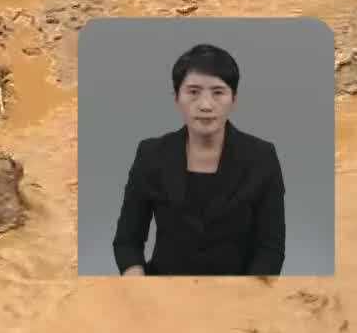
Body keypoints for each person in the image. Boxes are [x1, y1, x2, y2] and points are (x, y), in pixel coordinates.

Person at [113, 44, 286, 276]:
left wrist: (249, 302)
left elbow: (270, 250)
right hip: (163, 293)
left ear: (234, 99)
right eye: (193, 92)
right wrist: (139, 287)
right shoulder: (151, 154)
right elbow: (127, 241)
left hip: (237, 297)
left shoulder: (261, 157)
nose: (205, 105)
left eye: (218, 92)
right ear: (176, 98)